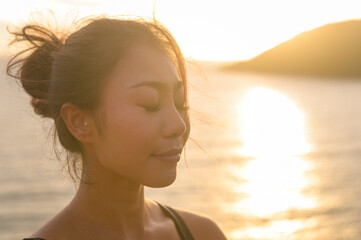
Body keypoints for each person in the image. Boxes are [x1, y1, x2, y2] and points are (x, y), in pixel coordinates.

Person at [7, 13, 227, 240]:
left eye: (180, 103)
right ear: (79, 121)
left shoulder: (203, 233)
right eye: (150, 103)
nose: (178, 125)